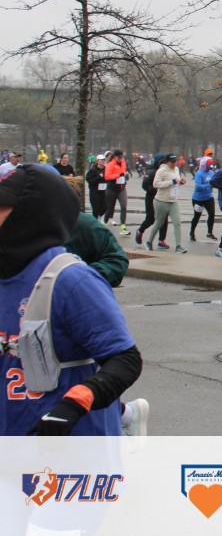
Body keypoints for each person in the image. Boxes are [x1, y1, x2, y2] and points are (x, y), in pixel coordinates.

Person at [0, 165, 142, 435]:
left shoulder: (72, 280)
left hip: (69, 444)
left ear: (28, 213)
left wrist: (75, 404)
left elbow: (125, 359)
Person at [143, 154, 188, 254]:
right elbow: (156, 184)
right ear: (167, 162)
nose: (174, 163)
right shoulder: (161, 171)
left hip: (173, 201)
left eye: (175, 161)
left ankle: (178, 246)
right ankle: (149, 242)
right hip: (161, 201)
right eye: (172, 162)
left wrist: (180, 182)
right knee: (159, 223)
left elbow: (176, 180)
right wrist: (170, 182)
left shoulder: (176, 169)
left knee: (177, 222)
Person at [136, 153, 170, 249]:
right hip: (151, 198)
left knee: (164, 219)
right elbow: (145, 185)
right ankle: (140, 231)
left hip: (163, 198)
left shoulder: (167, 172)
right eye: (162, 161)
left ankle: (161, 240)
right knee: (150, 219)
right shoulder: (151, 172)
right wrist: (156, 189)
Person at [102, 149, 131, 236]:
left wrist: (125, 175)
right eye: (119, 157)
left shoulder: (123, 162)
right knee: (110, 208)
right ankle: (104, 225)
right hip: (112, 189)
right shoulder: (110, 164)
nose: (120, 159)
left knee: (124, 206)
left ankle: (123, 227)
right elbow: (107, 177)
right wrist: (118, 175)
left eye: (122, 157)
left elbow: (124, 171)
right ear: (114, 157)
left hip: (122, 188)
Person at [190, 156, 218, 242]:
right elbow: (198, 186)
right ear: (203, 165)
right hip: (198, 199)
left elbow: (215, 181)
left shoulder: (211, 173)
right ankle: (192, 233)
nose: (209, 168)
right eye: (208, 166)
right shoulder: (199, 173)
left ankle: (210, 232)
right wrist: (209, 185)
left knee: (212, 214)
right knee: (197, 216)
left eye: (210, 166)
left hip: (208, 198)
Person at [85, 153, 108, 219]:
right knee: (96, 208)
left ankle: (99, 217)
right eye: (101, 160)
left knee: (105, 207)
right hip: (95, 192)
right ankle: (95, 220)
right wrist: (98, 178)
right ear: (97, 161)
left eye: (104, 160)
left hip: (103, 191)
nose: (103, 161)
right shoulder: (93, 170)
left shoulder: (106, 169)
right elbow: (89, 180)